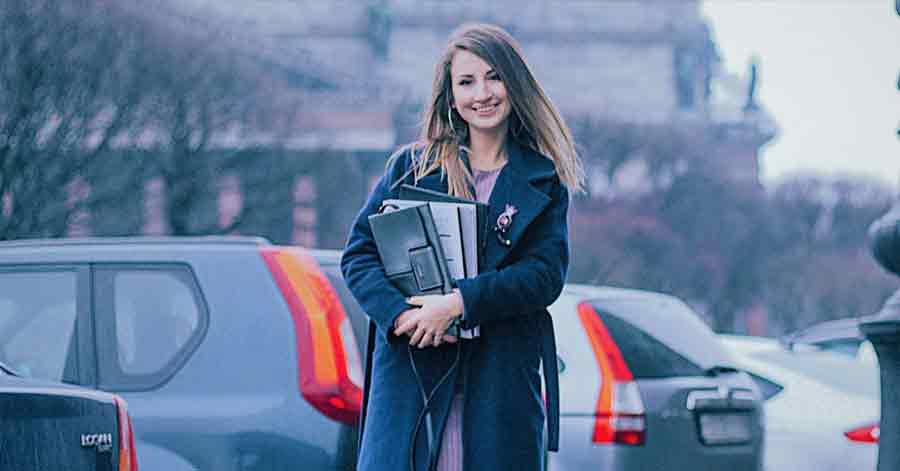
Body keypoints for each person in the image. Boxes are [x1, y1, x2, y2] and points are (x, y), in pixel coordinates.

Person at [341, 23, 584, 471]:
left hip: (499, 387)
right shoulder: (411, 168)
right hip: (412, 382)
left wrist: (457, 304)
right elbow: (359, 255)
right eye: (466, 82)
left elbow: (544, 276)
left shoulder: (542, 180)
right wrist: (403, 315)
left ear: (515, 85)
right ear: (451, 97)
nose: (482, 93)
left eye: (494, 77)